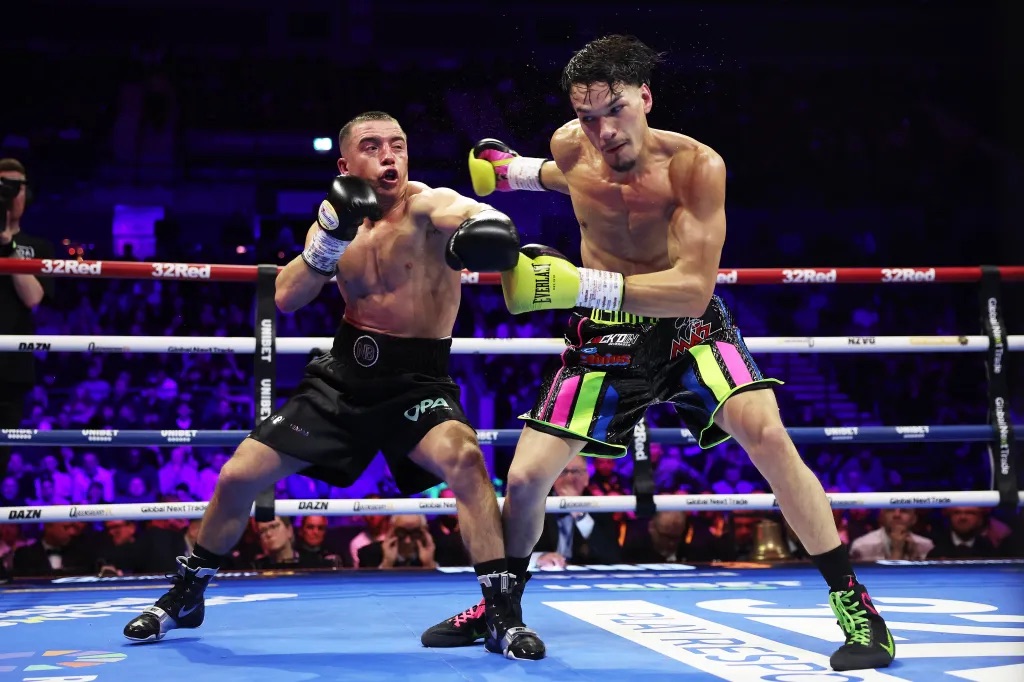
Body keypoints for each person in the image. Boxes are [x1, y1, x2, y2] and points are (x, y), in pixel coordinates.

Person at [421, 36, 894, 671]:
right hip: (605, 332)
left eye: (614, 110)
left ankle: (857, 610)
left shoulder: (696, 167)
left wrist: (578, 285)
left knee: (768, 437)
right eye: (588, 116)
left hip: (689, 325)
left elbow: (693, 289)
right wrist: (514, 172)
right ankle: (500, 607)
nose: (603, 131)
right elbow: (577, 180)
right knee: (528, 477)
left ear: (644, 97)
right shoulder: (572, 145)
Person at [122, 111, 544, 660]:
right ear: (346, 165)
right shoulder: (336, 219)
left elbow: (471, 211)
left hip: (418, 382)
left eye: (398, 145)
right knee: (238, 475)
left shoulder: (428, 207)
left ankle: (501, 613)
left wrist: (488, 223)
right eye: (373, 146)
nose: (389, 156)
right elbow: (287, 297)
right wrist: (330, 240)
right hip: (343, 377)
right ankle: (187, 594)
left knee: (466, 460)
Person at [0, 158, 54, 477]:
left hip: (10, 373)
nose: (7, 195)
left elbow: (33, 297)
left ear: (26, 194)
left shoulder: (37, 247)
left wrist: (8, 245)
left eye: (14, 188)